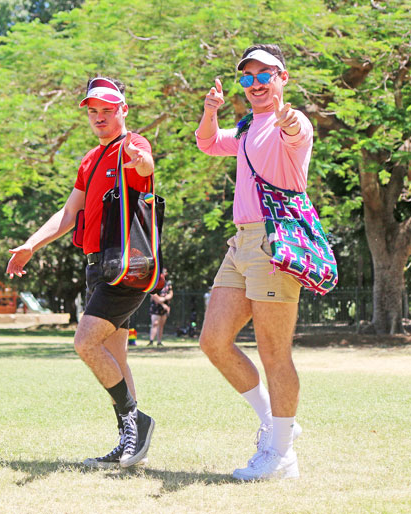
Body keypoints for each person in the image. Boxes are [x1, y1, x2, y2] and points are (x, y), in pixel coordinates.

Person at [6, 77, 155, 469]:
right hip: (97, 268)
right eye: (93, 111)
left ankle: (136, 423)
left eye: (108, 109)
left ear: (123, 109)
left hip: (125, 267)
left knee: (86, 343)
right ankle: (130, 444)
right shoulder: (90, 160)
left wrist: (140, 162)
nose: (100, 117)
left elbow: (146, 163)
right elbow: (69, 214)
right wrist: (30, 245)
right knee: (115, 357)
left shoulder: (131, 145)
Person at [196, 45, 309, 481]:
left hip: (274, 241)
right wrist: (211, 110)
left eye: (266, 74)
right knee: (213, 340)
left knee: (274, 353)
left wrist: (286, 117)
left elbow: (297, 132)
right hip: (240, 243)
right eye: (248, 76)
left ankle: (281, 455)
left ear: (283, 77)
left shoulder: (290, 122)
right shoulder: (245, 127)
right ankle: (278, 422)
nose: (256, 83)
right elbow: (207, 143)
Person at [148, 268, 172, 346]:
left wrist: (164, 299)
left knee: (161, 324)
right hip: (156, 306)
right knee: (155, 323)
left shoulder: (168, 283)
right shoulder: (155, 282)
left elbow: (171, 294)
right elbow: (153, 295)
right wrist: (162, 304)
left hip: (165, 307)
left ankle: (159, 341)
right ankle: (151, 341)